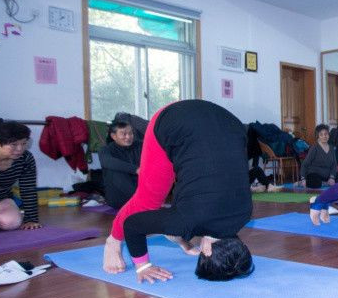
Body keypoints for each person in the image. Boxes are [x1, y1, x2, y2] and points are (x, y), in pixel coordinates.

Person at [101, 100, 253, 283]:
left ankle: (173, 231)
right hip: (170, 120)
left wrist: (182, 238)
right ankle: (113, 242)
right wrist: (143, 266)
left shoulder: (245, 213)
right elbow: (132, 225)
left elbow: (198, 213)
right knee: (148, 201)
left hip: (227, 120)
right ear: (207, 251)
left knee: (183, 209)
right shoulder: (187, 220)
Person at [99, 120, 142, 209]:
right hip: (118, 197)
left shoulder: (140, 146)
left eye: (131, 133)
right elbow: (107, 162)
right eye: (123, 134)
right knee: (114, 169)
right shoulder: (106, 150)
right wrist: (136, 169)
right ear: (113, 136)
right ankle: (140, 199)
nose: (128, 137)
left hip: (140, 190)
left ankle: (143, 199)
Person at [300, 124, 337, 188]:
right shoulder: (314, 148)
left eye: (326, 134)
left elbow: (334, 164)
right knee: (315, 182)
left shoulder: (331, 148)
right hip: (314, 174)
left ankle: (326, 183)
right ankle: (301, 183)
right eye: (321, 134)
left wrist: (332, 177)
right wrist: (303, 179)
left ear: (328, 135)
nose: (324, 136)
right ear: (318, 136)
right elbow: (305, 164)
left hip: (327, 176)